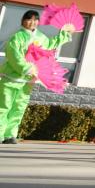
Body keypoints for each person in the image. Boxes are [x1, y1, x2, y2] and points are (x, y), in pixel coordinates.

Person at [0, 10, 73, 144]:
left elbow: (50, 44)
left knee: (19, 107)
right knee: (4, 106)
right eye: (29, 19)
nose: (32, 22)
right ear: (23, 21)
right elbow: (13, 55)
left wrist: (64, 33)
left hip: (28, 80)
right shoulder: (17, 37)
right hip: (11, 78)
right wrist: (27, 68)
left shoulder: (40, 37)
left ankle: (10, 134)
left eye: (35, 20)